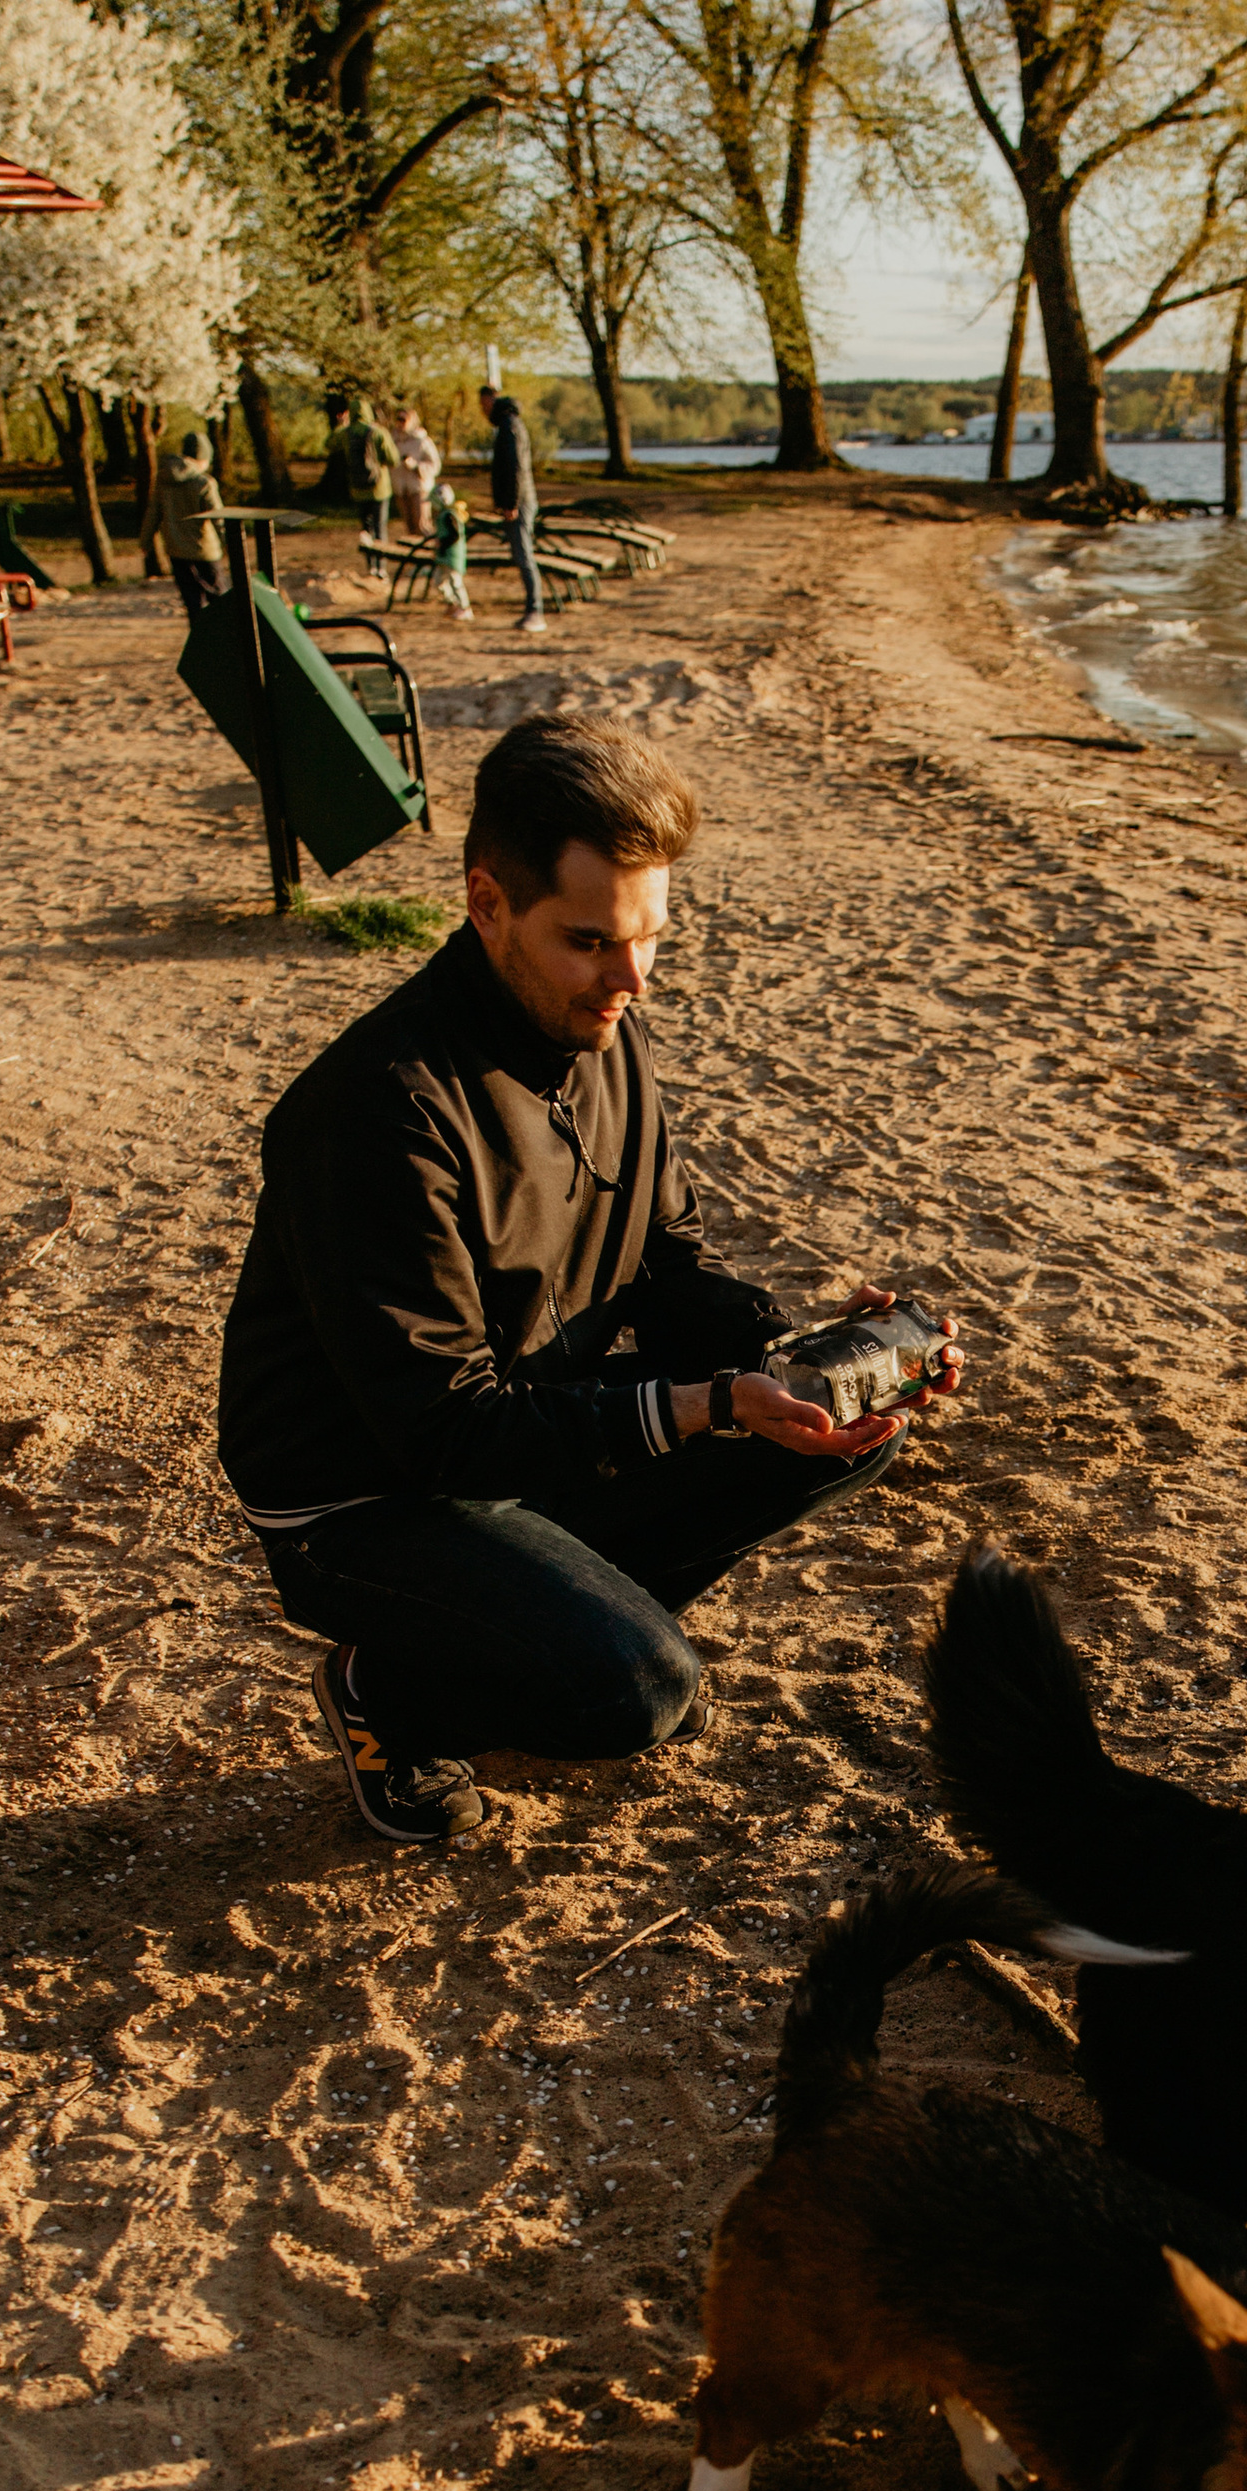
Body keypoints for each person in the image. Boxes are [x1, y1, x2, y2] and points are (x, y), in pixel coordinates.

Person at [217, 714, 960, 1843]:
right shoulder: (376, 1110)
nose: (633, 978)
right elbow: (439, 1434)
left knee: (844, 1431)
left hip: (521, 1426)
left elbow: (666, 1269)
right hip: (364, 1497)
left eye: (650, 937)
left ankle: (553, 1624)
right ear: (486, 903)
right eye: (592, 942)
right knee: (635, 1694)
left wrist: (793, 1354)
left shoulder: (600, 1026)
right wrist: (704, 1404)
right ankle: (393, 1693)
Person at [481, 384, 546, 637]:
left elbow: (515, 467)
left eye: (483, 405)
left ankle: (535, 611)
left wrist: (511, 503)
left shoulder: (510, 427)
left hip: (520, 502)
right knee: (521, 555)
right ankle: (533, 609)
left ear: (492, 402)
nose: (482, 411)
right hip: (518, 500)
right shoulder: (509, 425)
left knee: (524, 555)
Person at [149, 429, 225, 614]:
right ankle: (222, 639)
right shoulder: (205, 483)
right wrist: (228, 540)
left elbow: (153, 512)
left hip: (176, 549)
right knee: (219, 599)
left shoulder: (164, 479)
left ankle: (198, 639)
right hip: (205, 551)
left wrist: (145, 540)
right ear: (203, 458)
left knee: (192, 602)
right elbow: (218, 516)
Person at [390, 399, 441, 540]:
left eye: (403, 419)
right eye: (398, 419)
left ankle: (428, 556)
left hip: (419, 488)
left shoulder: (422, 441)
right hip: (400, 488)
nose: (400, 423)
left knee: (422, 526)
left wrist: (416, 466)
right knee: (409, 527)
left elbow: (435, 465)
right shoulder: (393, 440)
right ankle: (414, 559)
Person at [427, 477, 474, 619]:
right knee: (439, 581)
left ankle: (464, 607)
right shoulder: (444, 515)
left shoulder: (449, 516)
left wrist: (442, 543)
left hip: (452, 555)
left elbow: (455, 535)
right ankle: (452, 604)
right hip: (444, 555)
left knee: (455, 581)